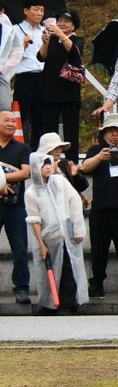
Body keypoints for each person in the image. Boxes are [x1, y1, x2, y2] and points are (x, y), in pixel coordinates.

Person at [80, 112, 118, 299]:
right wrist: (99, 157)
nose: (115, 135)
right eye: (111, 131)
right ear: (104, 133)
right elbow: (84, 168)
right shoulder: (96, 150)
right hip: (101, 208)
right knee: (98, 249)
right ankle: (96, 283)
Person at [24, 149, 86, 314]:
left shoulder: (59, 181)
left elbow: (74, 201)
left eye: (48, 163)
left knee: (67, 270)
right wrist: (41, 243)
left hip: (65, 235)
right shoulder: (31, 193)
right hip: (46, 237)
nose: (47, 167)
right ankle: (48, 304)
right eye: (43, 164)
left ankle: (68, 304)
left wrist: (78, 227)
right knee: (46, 272)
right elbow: (34, 220)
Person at [35, 9, 84, 153]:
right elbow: (41, 57)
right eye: (59, 21)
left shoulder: (77, 40)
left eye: (66, 21)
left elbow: (74, 52)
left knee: (71, 131)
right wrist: (45, 43)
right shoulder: (52, 39)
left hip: (69, 91)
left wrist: (60, 34)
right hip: (50, 89)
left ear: (74, 25)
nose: (62, 23)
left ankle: (71, 164)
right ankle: (47, 161)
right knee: (48, 131)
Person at [0, 109, 32, 305]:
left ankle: (21, 288)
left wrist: (1, 179)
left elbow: (25, 173)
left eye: (14, 121)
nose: (12, 124)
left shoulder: (22, 148)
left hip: (15, 207)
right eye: (7, 121)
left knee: (20, 249)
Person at [11, 0, 46, 144]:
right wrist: (22, 45)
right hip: (24, 77)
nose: (39, 13)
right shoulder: (15, 30)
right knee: (21, 116)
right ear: (26, 11)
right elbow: (8, 56)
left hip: (43, 77)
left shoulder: (45, 30)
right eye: (36, 9)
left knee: (40, 118)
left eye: (42, 10)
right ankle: (19, 150)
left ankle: (36, 151)